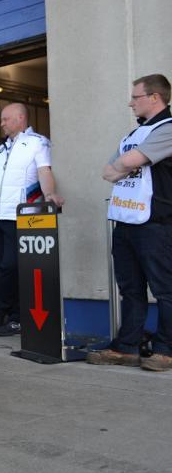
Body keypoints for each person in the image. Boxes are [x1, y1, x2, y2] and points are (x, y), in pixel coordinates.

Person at [88, 73, 172, 372]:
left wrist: (127, 163)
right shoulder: (133, 136)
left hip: (155, 223)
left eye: (135, 97)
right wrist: (128, 162)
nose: (130, 103)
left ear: (154, 97)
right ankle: (127, 347)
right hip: (126, 221)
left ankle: (166, 349)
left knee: (165, 289)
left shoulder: (167, 128)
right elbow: (107, 172)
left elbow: (125, 163)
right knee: (130, 289)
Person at [0, 103, 65, 336]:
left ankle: (8, 314)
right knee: (3, 266)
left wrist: (50, 194)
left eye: (5, 119)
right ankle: (8, 314)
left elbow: (44, 171)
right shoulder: (1, 151)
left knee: (13, 266)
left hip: (21, 216)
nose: (1, 123)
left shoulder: (37, 142)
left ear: (20, 118)